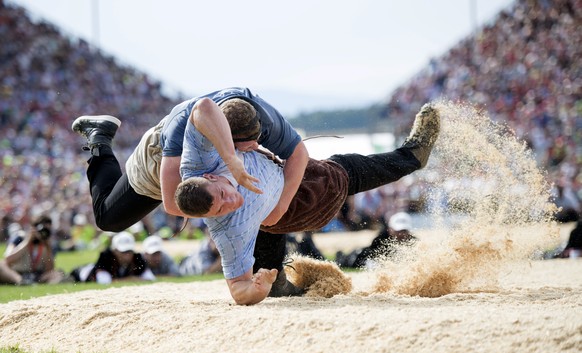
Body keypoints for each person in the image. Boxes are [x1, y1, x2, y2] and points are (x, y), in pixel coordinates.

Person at [174, 104, 440, 305]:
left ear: (209, 176)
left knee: (267, 245)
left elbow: (204, 108)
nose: (231, 202)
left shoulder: (197, 164)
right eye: (221, 210)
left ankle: (280, 286)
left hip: (274, 195)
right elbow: (238, 290)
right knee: (344, 170)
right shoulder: (227, 229)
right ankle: (413, 156)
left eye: (223, 195)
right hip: (301, 204)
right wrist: (258, 287)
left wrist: (231, 158)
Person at [70, 87, 308, 233]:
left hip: (215, 168)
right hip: (159, 161)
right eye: (241, 146)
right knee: (109, 219)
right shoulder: (180, 127)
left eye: (256, 139)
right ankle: (100, 137)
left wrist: (280, 206)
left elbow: (299, 153)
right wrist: (226, 209)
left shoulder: (260, 117)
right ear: (224, 137)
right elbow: (173, 204)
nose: (254, 146)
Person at [335, 211, 417, 268]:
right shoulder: (381, 239)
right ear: (390, 229)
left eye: (404, 231)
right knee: (347, 261)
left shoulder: (414, 242)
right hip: (359, 257)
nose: (401, 234)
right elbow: (372, 256)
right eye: (398, 231)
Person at [0, 214, 63, 285]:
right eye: (42, 230)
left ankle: (38, 285)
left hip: (37, 275)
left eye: (47, 230)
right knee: (1, 264)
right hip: (16, 273)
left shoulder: (49, 244)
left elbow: (50, 269)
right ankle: (21, 281)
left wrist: (47, 246)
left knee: (57, 273)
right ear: (33, 228)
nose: (43, 233)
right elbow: (8, 259)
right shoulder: (19, 237)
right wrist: (27, 241)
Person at [81, 231, 156, 284]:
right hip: (82, 273)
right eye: (123, 252)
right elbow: (104, 282)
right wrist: (131, 279)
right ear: (115, 251)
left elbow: (150, 278)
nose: (127, 255)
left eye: (129, 251)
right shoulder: (106, 258)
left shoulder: (137, 258)